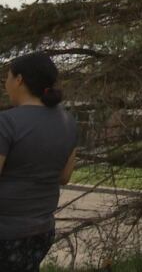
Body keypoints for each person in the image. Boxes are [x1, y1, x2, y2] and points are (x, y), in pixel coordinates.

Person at [0, 53, 78, 272]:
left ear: (19, 80)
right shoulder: (68, 122)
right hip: (41, 232)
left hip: (6, 232)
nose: (6, 84)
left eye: (7, 77)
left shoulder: (7, 123)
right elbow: (64, 176)